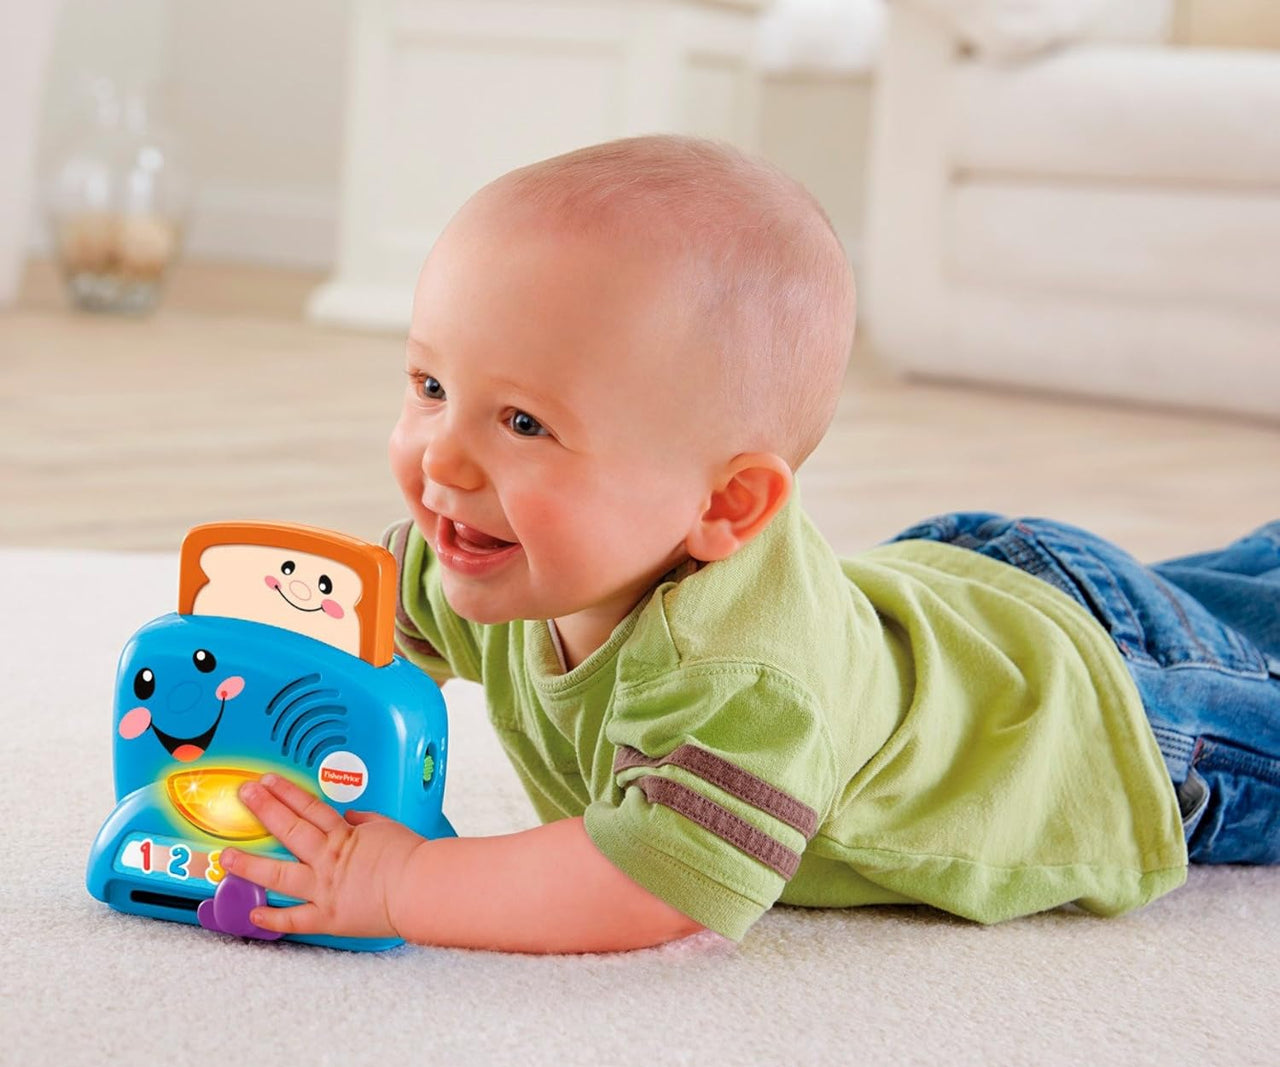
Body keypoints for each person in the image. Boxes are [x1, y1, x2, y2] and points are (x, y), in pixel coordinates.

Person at [219, 135, 1280, 953]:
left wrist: (397, 883)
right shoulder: (481, 539)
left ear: (725, 506)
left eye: (524, 423)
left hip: (1107, 715)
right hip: (972, 600)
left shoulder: (739, 683)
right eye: (431, 387)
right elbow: (345, 624)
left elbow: (646, 882)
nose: (441, 461)